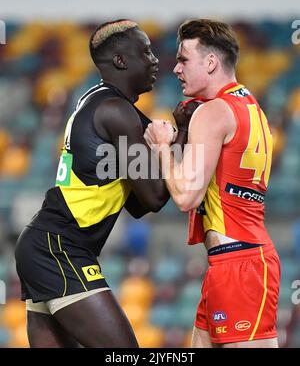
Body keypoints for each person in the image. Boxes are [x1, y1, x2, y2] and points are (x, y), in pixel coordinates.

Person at [14, 19, 193, 348]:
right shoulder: (116, 112)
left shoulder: (99, 103)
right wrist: (179, 137)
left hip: (45, 245)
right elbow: (155, 197)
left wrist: (176, 139)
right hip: (60, 248)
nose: (156, 60)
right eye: (146, 52)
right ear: (121, 61)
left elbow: (139, 205)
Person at [144, 19, 280, 348]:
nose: (175, 68)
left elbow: (187, 196)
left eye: (183, 59)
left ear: (210, 62)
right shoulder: (251, 107)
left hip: (239, 264)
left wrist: (162, 147)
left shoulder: (213, 112)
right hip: (234, 262)